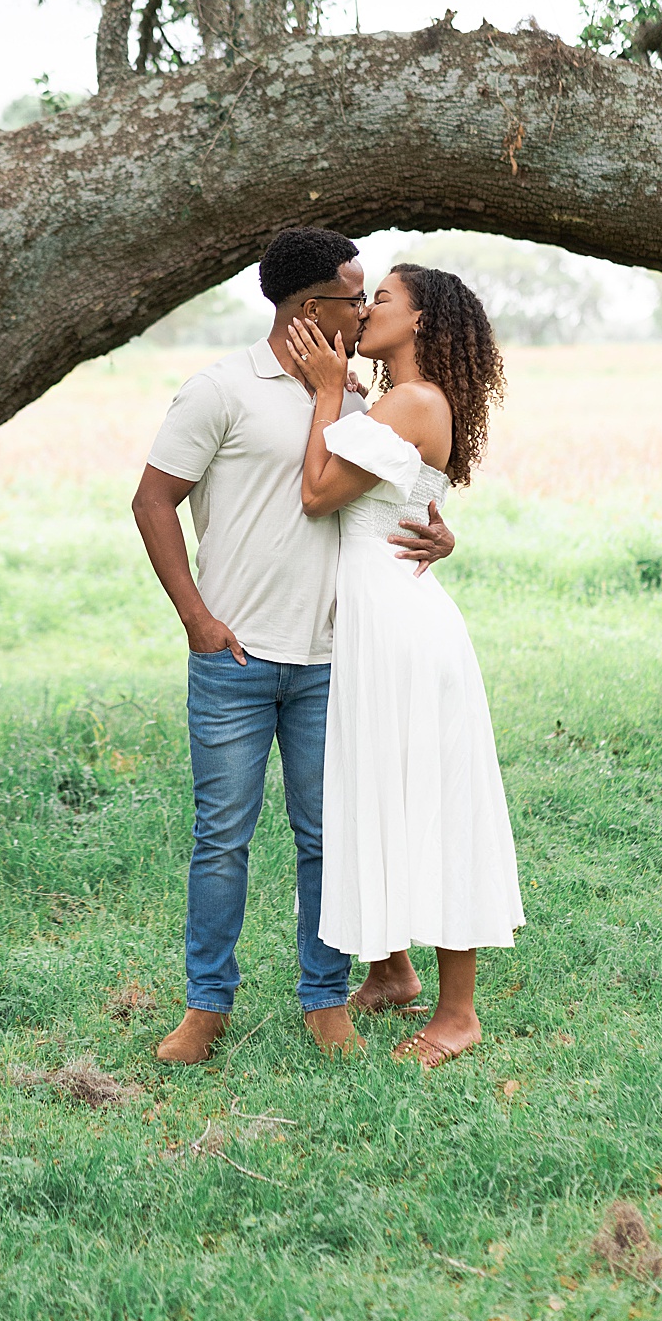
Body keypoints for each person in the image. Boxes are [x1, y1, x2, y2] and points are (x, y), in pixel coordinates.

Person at [131, 229, 456, 1063]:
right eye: (356, 296)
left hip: (331, 662)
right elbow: (152, 502)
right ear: (313, 307)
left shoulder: (355, 400)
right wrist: (197, 621)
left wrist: (439, 532)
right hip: (234, 657)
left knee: (326, 837)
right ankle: (206, 1008)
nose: (364, 306)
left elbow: (400, 493)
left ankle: (324, 1001)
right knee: (222, 837)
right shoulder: (220, 390)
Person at [289, 262, 524, 1068]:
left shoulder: (415, 400)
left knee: (434, 800)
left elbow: (319, 492)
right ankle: (391, 971)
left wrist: (327, 391)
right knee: (376, 788)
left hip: (402, 628)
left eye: (381, 299)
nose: (365, 310)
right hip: (379, 619)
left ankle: (459, 1015)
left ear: (420, 321)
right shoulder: (394, 400)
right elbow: (404, 500)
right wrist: (347, 393)